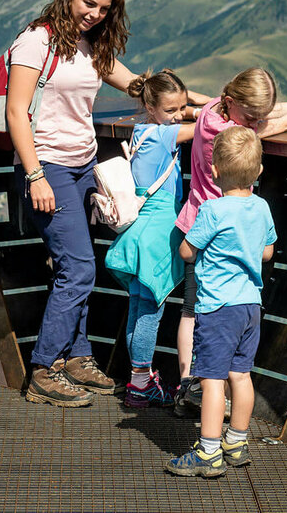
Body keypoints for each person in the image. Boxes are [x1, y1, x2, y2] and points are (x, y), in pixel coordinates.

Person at [8, 0, 207, 407]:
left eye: (104, 8)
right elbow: (16, 112)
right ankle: (43, 369)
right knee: (79, 268)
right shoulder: (35, 42)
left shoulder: (91, 46)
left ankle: (77, 356)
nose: (95, 14)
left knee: (76, 266)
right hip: (49, 167)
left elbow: (142, 87)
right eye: (88, 3)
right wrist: (36, 174)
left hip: (84, 164)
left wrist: (202, 106)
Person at [172, 67, 287, 416]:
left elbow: (278, 111)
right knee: (205, 309)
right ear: (234, 103)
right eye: (253, 115)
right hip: (222, 233)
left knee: (192, 307)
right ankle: (199, 384)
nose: (257, 120)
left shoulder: (214, 109)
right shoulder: (231, 133)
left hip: (198, 221)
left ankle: (190, 381)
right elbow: (280, 123)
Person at [166, 126, 275, 477]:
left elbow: (187, 250)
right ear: (258, 172)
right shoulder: (261, 207)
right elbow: (267, 252)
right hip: (250, 306)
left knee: (212, 380)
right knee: (240, 375)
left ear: (213, 172)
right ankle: (236, 441)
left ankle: (208, 452)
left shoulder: (212, 211)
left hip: (217, 307)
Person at [104, 70, 197, 408]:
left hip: (139, 229)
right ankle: (141, 386)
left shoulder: (142, 130)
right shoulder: (164, 136)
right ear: (150, 106)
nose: (178, 115)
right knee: (150, 312)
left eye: (182, 108)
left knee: (138, 306)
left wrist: (191, 107)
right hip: (158, 231)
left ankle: (138, 381)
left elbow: (188, 116)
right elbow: (206, 127)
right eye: (172, 110)